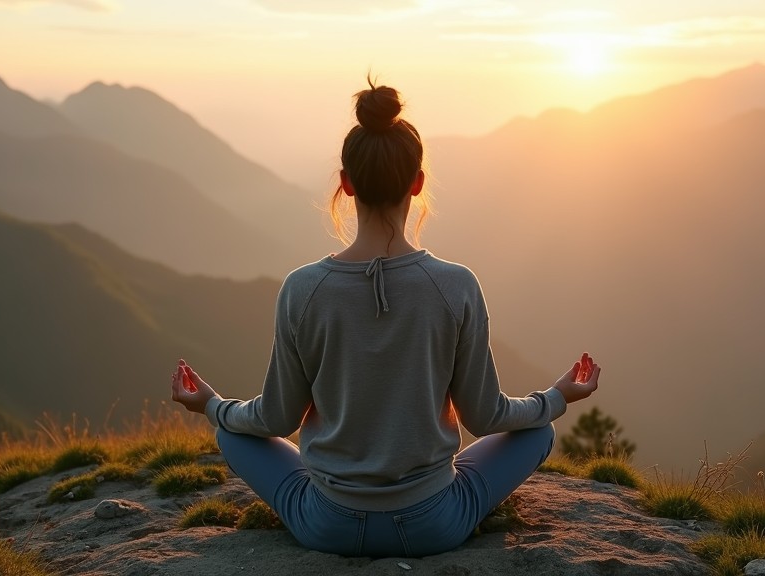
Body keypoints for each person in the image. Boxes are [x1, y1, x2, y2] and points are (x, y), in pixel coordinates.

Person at [170, 78, 601, 558]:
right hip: (434, 524)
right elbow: (486, 417)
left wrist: (211, 405)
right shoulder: (456, 285)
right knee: (539, 428)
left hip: (325, 522)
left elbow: (275, 418)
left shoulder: (302, 289)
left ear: (345, 183)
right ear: (417, 183)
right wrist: (556, 397)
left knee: (232, 431)